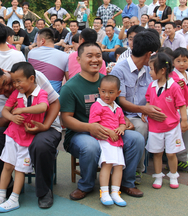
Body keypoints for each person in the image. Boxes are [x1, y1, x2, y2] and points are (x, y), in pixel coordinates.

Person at [111, 29, 188, 183]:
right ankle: (138, 170)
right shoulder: (119, 70)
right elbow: (119, 101)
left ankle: (181, 158)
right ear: (149, 54)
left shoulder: (150, 68)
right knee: (141, 127)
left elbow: (165, 88)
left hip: (151, 110)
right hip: (129, 115)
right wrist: (144, 110)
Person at [60, 42, 145, 200]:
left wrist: (125, 121)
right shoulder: (70, 87)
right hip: (81, 134)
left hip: (111, 131)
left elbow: (116, 107)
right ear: (78, 59)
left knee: (136, 139)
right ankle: (86, 185)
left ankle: (127, 182)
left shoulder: (108, 81)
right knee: (90, 146)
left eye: (98, 56)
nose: (95, 60)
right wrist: (90, 127)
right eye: (89, 56)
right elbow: (65, 119)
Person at [0, 62, 49, 213]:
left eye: (19, 81)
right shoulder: (16, 94)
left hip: (27, 138)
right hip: (13, 134)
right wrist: (12, 118)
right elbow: (5, 111)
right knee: (7, 165)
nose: (15, 85)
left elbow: (43, 107)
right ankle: (2, 196)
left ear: (31, 78)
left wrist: (22, 109)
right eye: (14, 81)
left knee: (20, 168)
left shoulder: (41, 93)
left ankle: (14, 199)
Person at [145, 52, 187, 189]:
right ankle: (158, 176)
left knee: (171, 153)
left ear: (162, 70)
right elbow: (148, 101)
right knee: (157, 153)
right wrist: (145, 112)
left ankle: (173, 175)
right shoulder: (151, 86)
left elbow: (181, 104)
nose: (150, 72)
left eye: (152, 69)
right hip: (155, 127)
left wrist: (184, 120)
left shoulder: (174, 86)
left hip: (172, 127)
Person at [88, 75, 127, 207]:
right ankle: (104, 192)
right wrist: (109, 131)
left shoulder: (118, 108)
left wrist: (122, 128)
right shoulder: (97, 105)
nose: (106, 95)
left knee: (119, 166)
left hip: (117, 142)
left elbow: (123, 122)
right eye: (103, 91)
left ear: (118, 93)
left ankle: (115, 192)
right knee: (108, 164)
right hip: (105, 140)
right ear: (99, 90)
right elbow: (93, 123)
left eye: (111, 92)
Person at [28, 28, 69, 93]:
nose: (36, 43)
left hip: (35, 96)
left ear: (42, 41)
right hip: (55, 97)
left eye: (37, 41)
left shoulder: (31, 53)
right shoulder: (64, 56)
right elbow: (68, 81)